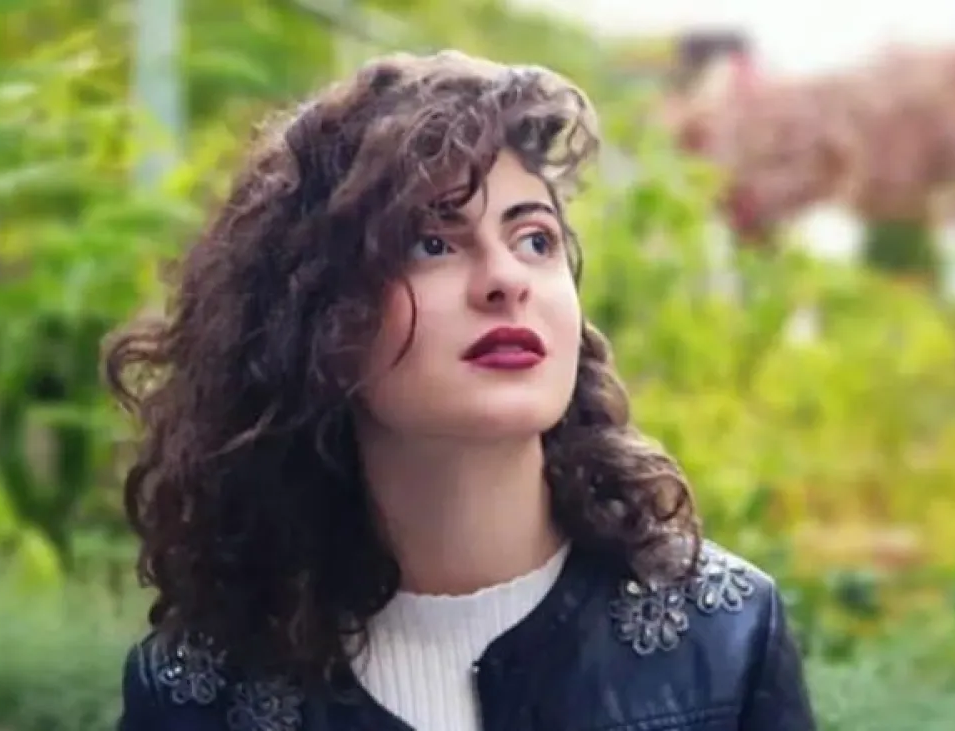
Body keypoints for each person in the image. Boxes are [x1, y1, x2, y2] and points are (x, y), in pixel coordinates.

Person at [106, 50, 816, 731]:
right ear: (312, 318)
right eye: (433, 243)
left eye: (535, 240)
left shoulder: (726, 640)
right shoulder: (199, 692)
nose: (506, 278)